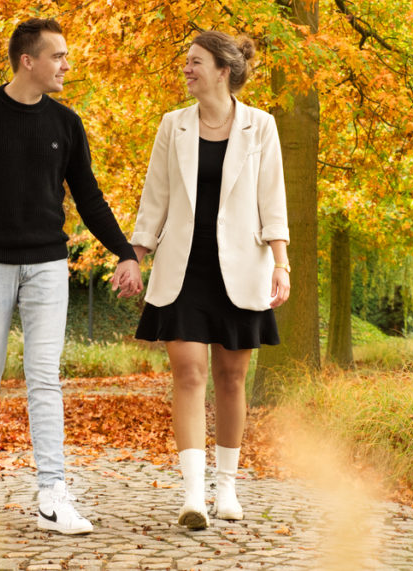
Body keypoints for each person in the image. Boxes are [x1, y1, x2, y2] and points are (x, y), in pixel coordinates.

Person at [0, 17, 142, 535]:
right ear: (29, 61)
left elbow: (88, 195)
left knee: (44, 376)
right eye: (58, 56)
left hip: (48, 264)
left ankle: (52, 493)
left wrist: (125, 252)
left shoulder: (66, 123)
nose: (66, 65)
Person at [130, 31, 290, 529]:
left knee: (231, 377)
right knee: (189, 373)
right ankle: (193, 496)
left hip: (243, 267)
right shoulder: (171, 126)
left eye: (196, 61)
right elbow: (154, 198)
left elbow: (272, 198)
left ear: (223, 70)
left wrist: (282, 264)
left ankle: (227, 489)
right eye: (186, 61)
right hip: (184, 268)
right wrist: (134, 256)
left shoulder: (261, 127)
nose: (186, 68)